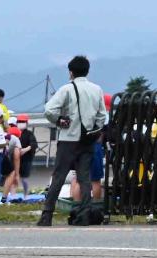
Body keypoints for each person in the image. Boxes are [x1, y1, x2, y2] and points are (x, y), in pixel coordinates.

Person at [38, 54, 109, 225]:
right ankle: (84, 214)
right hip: (87, 141)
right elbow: (102, 116)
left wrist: (60, 121)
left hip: (68, 139)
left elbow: (49, 110)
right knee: (85, 178)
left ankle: (47, 215)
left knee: (59, 177)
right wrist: (93, 129)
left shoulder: (66, 89)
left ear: (71, 72)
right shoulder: (96, 89)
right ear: (87, 71)